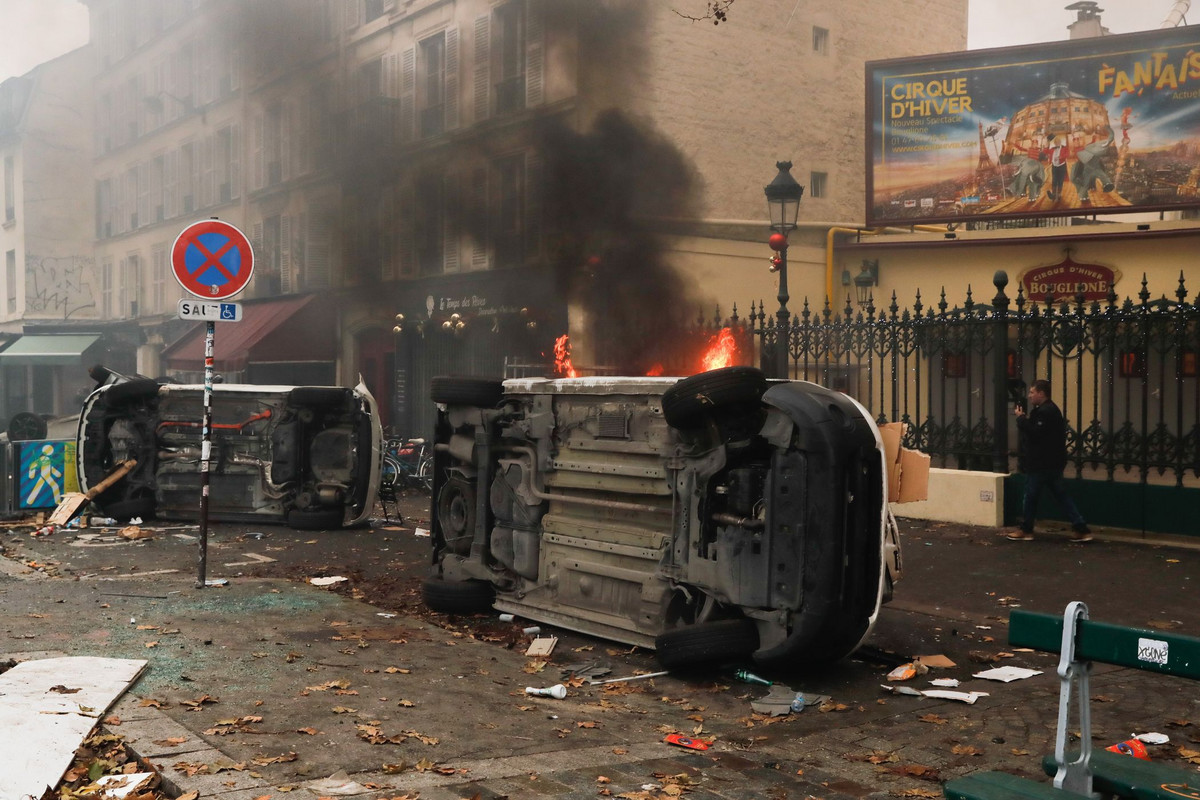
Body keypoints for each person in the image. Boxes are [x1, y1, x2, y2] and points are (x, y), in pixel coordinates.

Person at [1008, 379, 1092, 542]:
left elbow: (1035, 434)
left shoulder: (1046, 412)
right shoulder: (1047, 410)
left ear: (1041, 393)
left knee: (1030, 496)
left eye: (1032, 392)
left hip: (1041, 463)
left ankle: (1026, 530)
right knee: (1061, 496)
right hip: (1051, 462)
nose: (1030, 395)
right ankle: (1081, 528)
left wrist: (1021, 419)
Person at [1046, 135, 1068, 201]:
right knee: (1054, 180)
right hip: (1054, 166)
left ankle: (1058, 195)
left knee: (1060, 181)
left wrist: (1060, 157)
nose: (1057, 143)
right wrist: (1048, 142)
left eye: (1058, 142)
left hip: (1062, 166)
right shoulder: (1052, 148)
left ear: (1060, 142)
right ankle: (1053, 194)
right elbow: (1046, 151)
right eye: (1056, 142)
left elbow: (1067, 154)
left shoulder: (1064, 148)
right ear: (1055, 143)